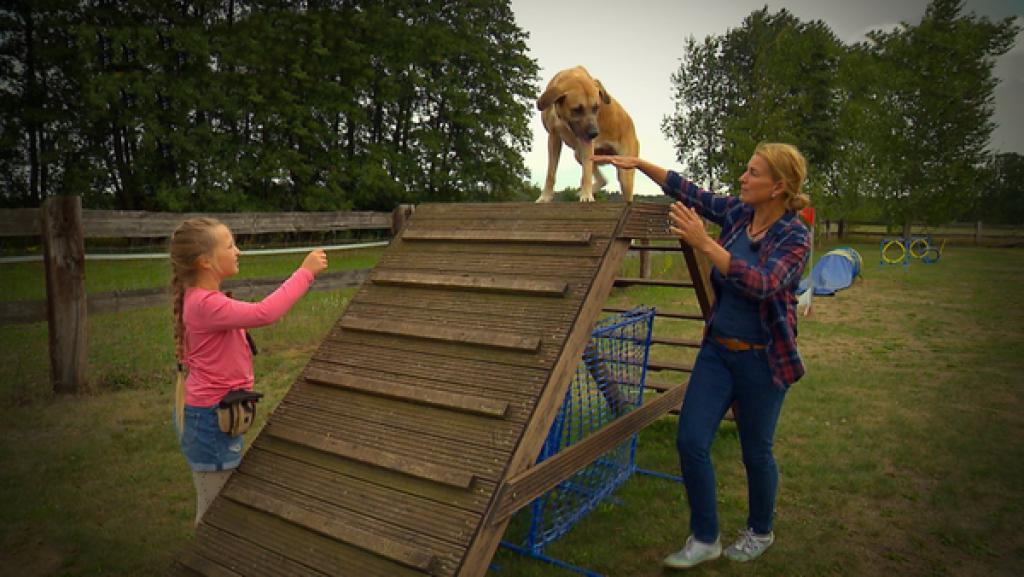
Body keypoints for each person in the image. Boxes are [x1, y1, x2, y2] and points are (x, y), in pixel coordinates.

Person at [594, 143, 811, 569]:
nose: (743, 179)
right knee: (691, 440)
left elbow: (764, 283)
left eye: (753, 173)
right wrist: (639, 164)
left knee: (756, 452)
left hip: (763, 360)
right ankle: (705, 537)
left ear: (778, 186)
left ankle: (760, 530)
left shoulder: (794, 235)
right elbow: (689, 191)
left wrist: (704, 244)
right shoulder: (737, 214)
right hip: (718, 352)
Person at [169, 217, 328, 526]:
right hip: (211, 421)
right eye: (230, 246)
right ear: (205, 261)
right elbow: (264, 313)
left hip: (216, 415)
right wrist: (305, 272)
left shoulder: (203, 301)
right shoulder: (205, 304)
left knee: (218, 502)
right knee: (216, 511)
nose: (238, 251)